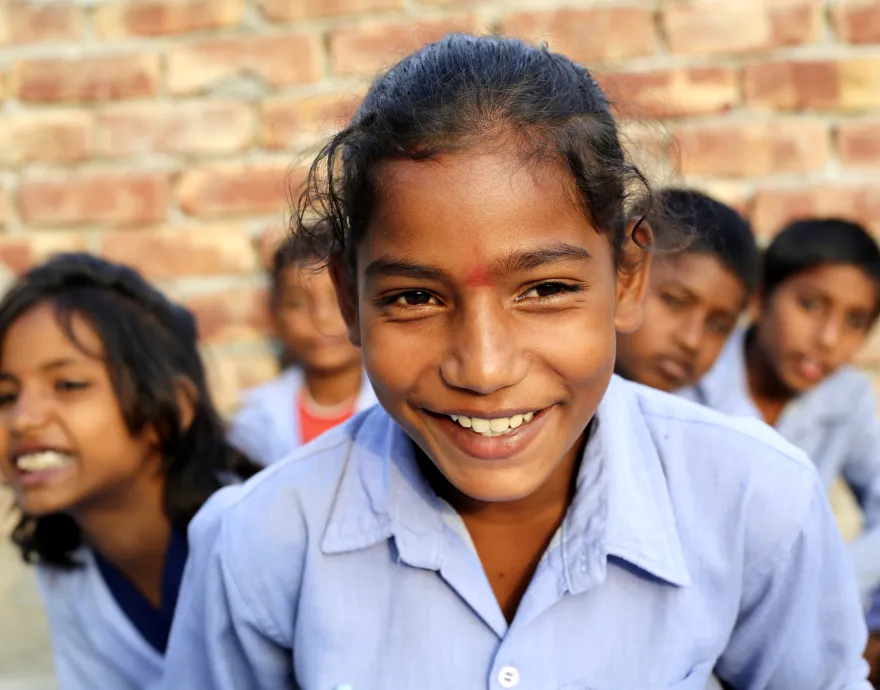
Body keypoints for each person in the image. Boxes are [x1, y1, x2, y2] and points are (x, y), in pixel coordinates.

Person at [162, 35, 871, 689]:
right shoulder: (257, 541)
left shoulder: (754, 500)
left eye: (545, 289)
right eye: (414, 297)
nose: (485, 367)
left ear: (626, 276)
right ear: (348, 297)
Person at [0, 253, 255, 690]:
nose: (22, 419)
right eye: (6, 395)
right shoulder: (65, 572)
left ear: (170, 410)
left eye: (69, 385)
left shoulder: (256, 538)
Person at [682, 219, 880, 605]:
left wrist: (834, 588)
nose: (828, 338)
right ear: (760, 298)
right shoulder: (692, 375)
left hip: (794, 611)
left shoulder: (847, 395)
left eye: (854, 321)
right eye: (809, 305)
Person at [228, 229, 376, 466]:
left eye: (340, 299)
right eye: (297, 303)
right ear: (274, 317)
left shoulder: (401, 409)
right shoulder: (255, 424)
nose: (322, 318)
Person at [616, 188, 758, 392]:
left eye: (719, 326)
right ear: (627, 272)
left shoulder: (711, 420)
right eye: (675, 301)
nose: (692, 341)